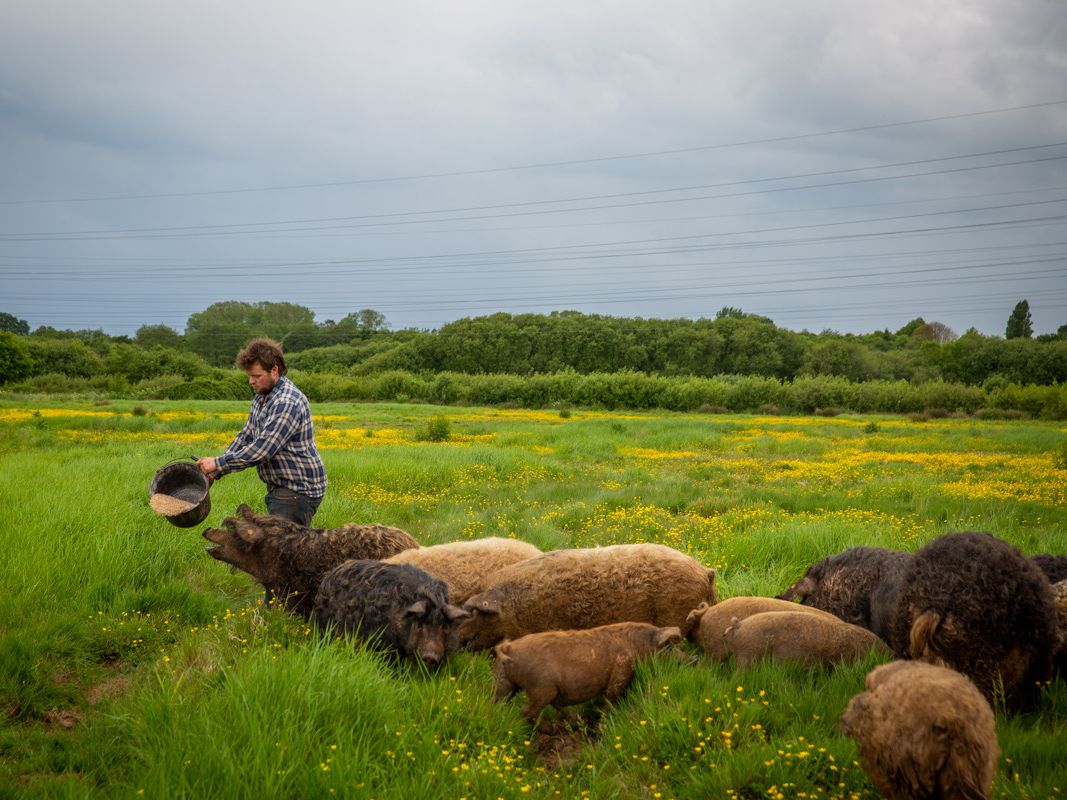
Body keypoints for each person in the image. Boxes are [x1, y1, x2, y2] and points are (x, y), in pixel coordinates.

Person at [197, 338, 327, 527]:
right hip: (282, 486)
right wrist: (215, 472)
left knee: (283, 553)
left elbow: (263, 449)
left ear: (274, 370)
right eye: (249, 376)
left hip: (297, 489)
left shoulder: (287, 402)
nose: (251, 381)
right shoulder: (262, 397)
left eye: (256, 376)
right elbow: (247, 436)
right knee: (280, 548)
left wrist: (217, 463)